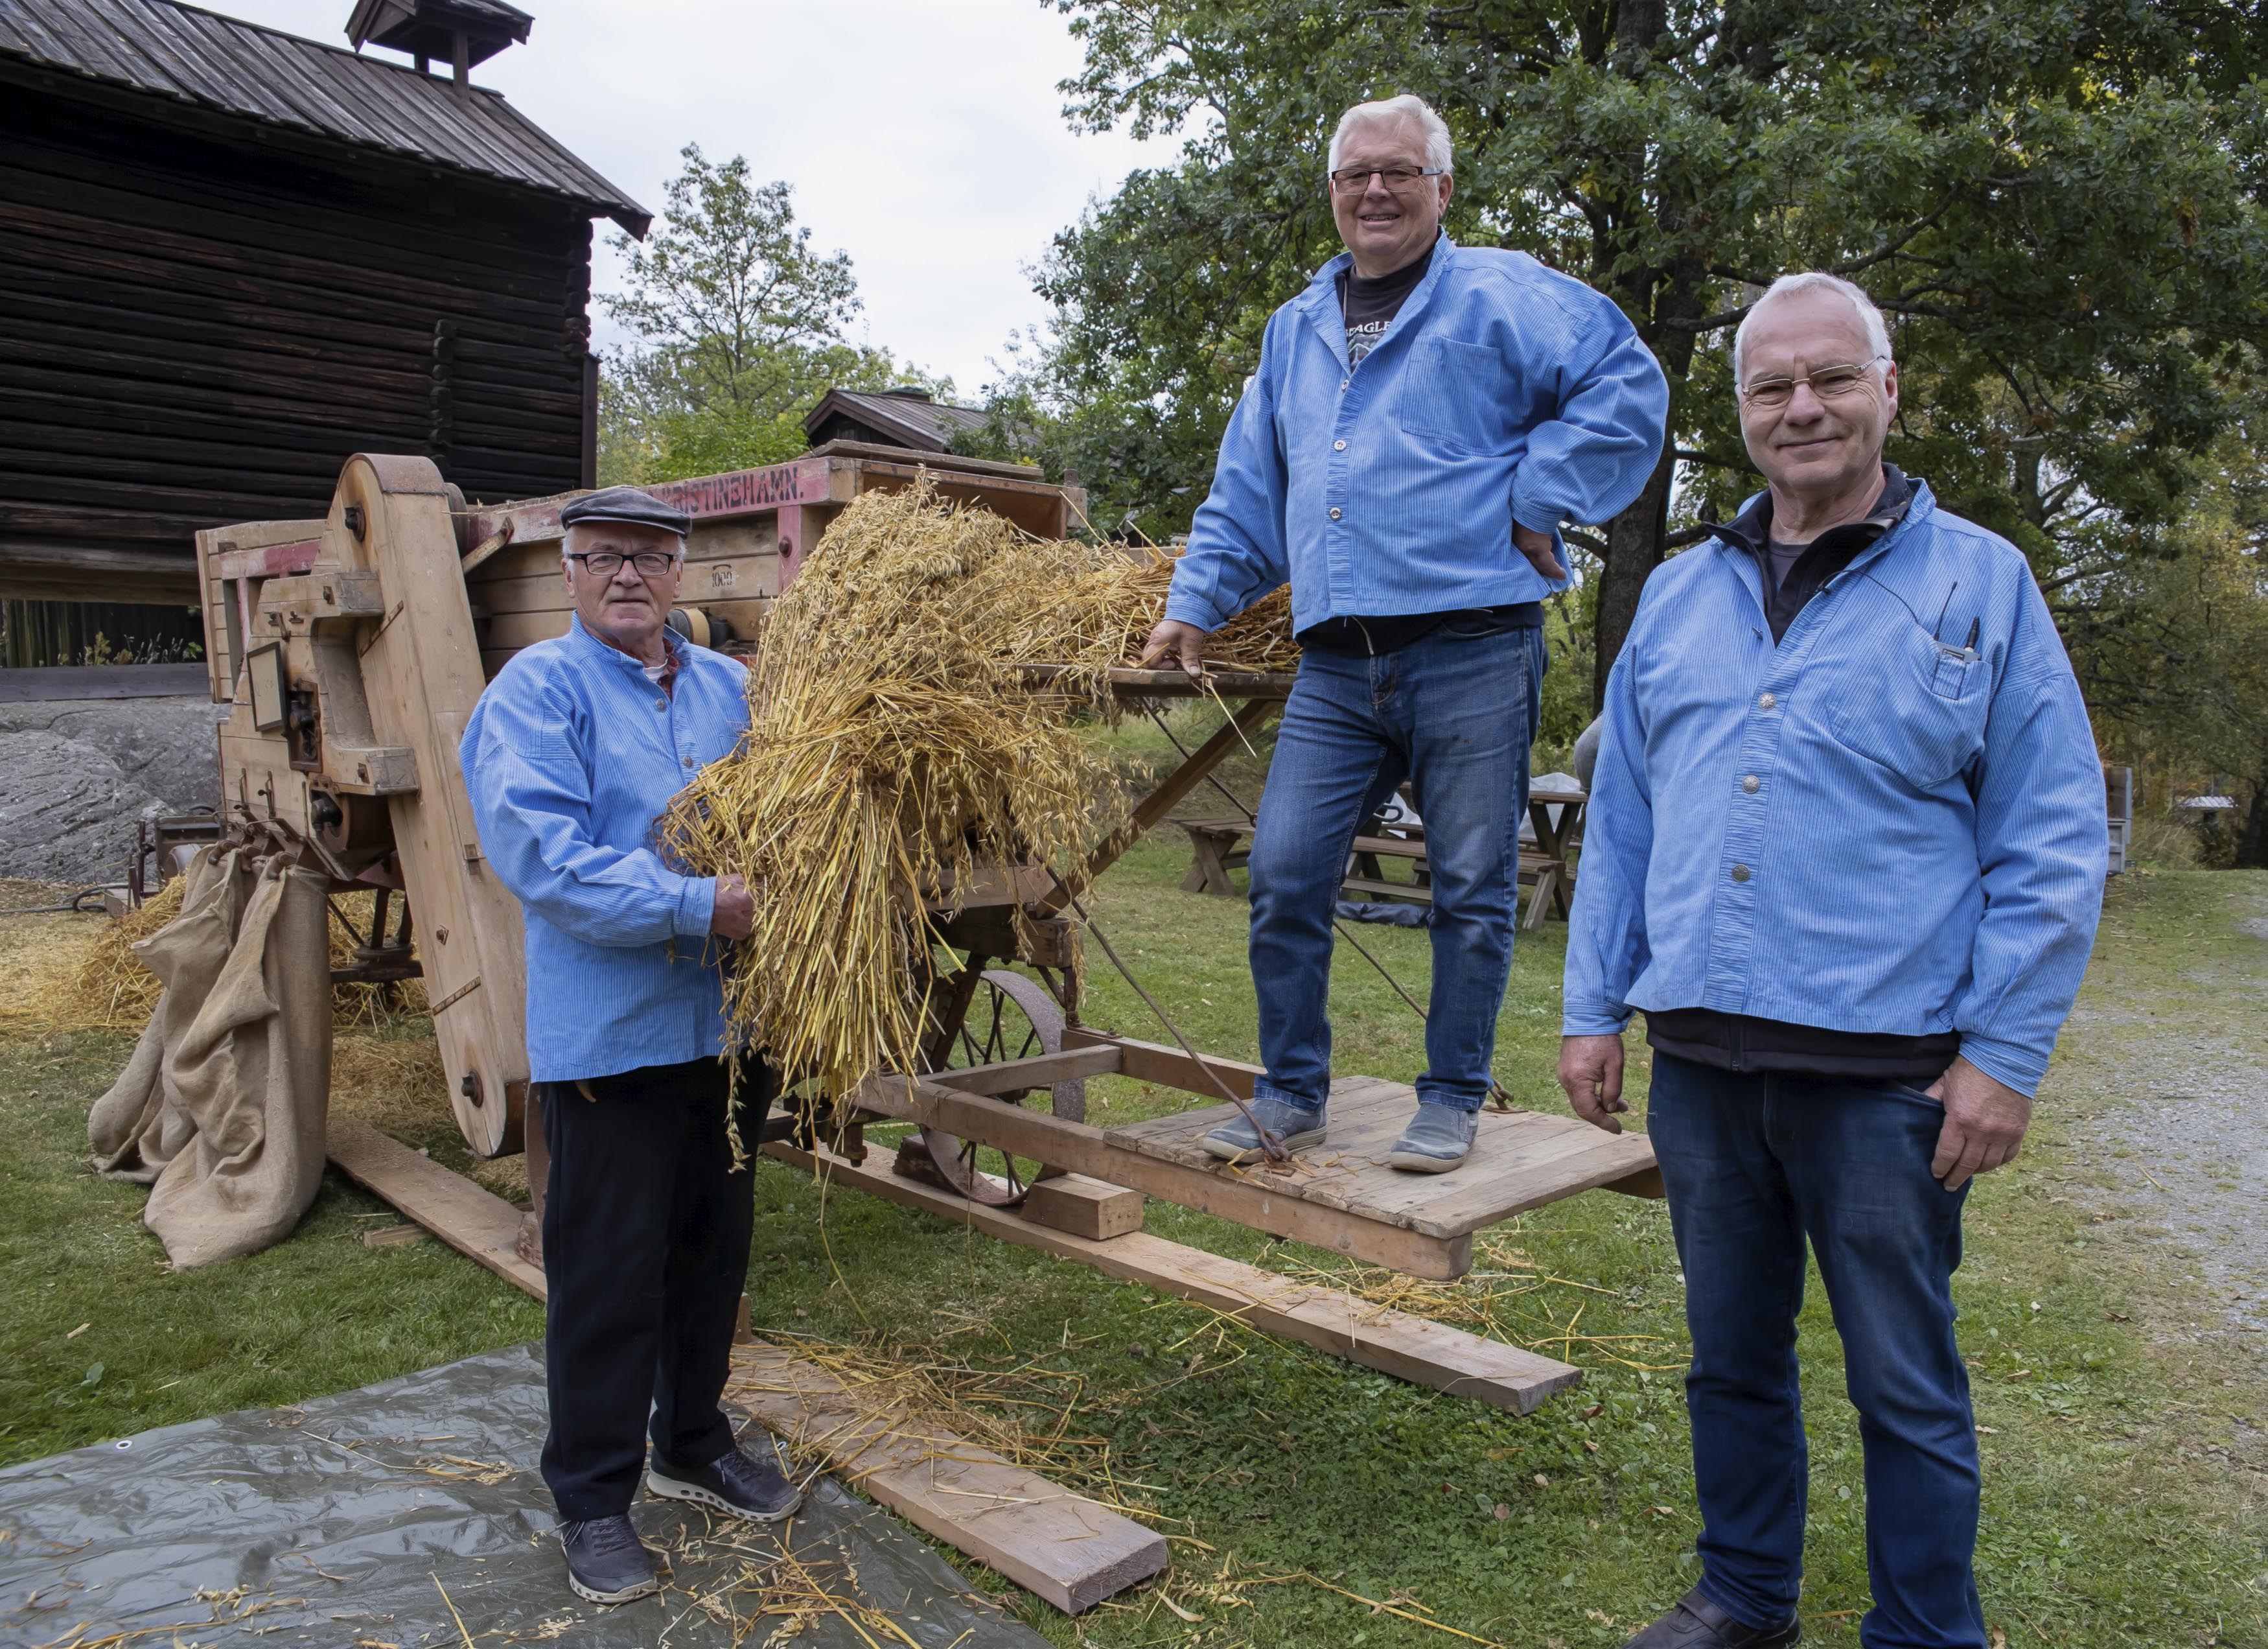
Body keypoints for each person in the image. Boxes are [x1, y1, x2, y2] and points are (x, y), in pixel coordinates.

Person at [1558, 273, 2107, 1648]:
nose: (1800, 407)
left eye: (1830, 379)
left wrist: (2003, 1055)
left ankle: (1926, 1631)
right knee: (1728, 1363)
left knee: (1904, 1384)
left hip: (1886, 1080)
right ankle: (1745, 1597)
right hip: (1697, 1065)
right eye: (1769, 386)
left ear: (1886, 390)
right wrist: (1591, 1010)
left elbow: (2050, 838)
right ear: (1738, 410)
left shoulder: (1982, 584)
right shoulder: (1679, 597)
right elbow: (1620, 820)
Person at [1140, 93, 1667, 1173]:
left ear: (1443, 189)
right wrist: (1194, 601)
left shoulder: (1505, 297)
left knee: (1471, 884)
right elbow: (1250, 490)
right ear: (1332, 193)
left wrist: (1540, 493)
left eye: (1399, 172)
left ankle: (1453, 1096)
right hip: (1337, 662)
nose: (1374, 191)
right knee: (1285, 873)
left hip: (1474, 644)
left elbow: (1628, 389)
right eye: (1352, 175)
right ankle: (1290, 1091)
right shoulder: (1296, 332)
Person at [461, 485, 796, 1606]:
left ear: (680, 572)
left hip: (733, 1030)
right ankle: (594, 1501)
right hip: (611, 1040)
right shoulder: (534, 695)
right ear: (569, 570)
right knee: (608, 1276)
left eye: (650, 559)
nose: (628, 578)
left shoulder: (733, 691)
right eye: (604, 556)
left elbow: (793, 812)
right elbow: (545, 858)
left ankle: (693, 1442)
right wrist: (699, 906)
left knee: (712, 1254)